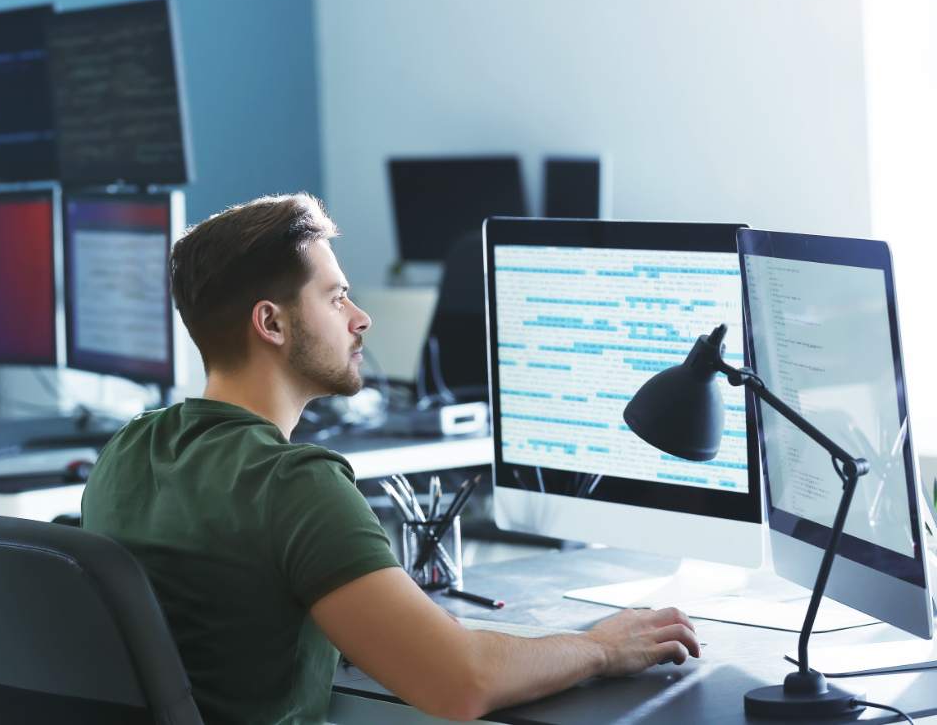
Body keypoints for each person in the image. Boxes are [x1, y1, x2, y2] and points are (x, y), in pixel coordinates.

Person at [81, 193, 699, 724]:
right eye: (336, 298)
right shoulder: (293, 483)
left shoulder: (127, 449)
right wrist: (601, 648)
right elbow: (462, 681)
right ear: (271, 323)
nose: (361, 319)